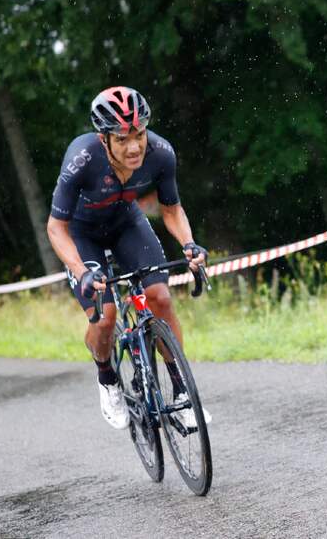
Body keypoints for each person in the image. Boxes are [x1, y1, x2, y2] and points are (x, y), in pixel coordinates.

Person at [46, 86, 211, 430]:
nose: (134, 146)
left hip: (126, 224)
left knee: (160, 297)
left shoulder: (161, 153)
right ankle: (107, 378)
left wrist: (189, 244)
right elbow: (56, 228)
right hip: (82, 234)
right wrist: (80, 270)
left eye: (138, 134)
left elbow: (172, 209)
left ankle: (181, 393)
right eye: (122, 139)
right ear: (103, 139)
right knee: (105, 318)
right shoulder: (81, 159)